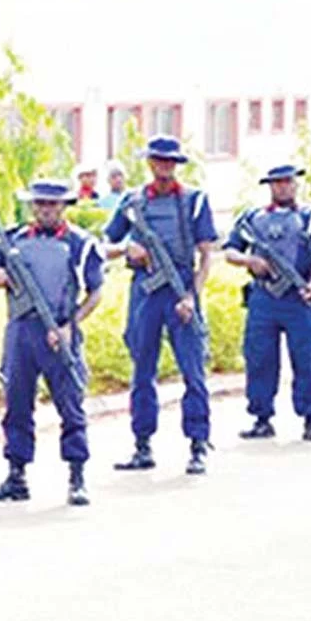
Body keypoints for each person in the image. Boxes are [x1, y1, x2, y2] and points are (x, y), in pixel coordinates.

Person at [0, 180, 104, 506]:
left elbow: (95, 291)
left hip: (59, 330)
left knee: (70, 404)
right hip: (21, 330)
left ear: (64, 206)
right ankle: (16, 475)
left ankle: (77, 477)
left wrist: (70, 325)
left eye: (52, 204)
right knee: (17, 404)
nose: (46, 209)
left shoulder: (80, 243)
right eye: (40, 203)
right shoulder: (13, 239)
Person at [102, 135, 218, 475]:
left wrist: (191, 296)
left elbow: (207, 254)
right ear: (150, 163)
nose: (165, 166)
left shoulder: (194, 200)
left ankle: (198, 444)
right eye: (159, 160)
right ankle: (142, 445)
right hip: (146, 291)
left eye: (170, 161)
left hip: (181, 287)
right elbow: (104, 245)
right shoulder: (132, 202)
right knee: (142, 371)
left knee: (193, 371)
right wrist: (127, 250)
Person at [224, 165, 311, 442]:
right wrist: (250, 260)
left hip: (298, 298)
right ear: (270, 186)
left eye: (287, 182)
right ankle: (262, 418)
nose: (283, 187)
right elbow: (230, 251)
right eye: (277, 183)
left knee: (306, 358)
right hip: (264, 298)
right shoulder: (252, 218)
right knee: (259, 358)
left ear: (296, 184)